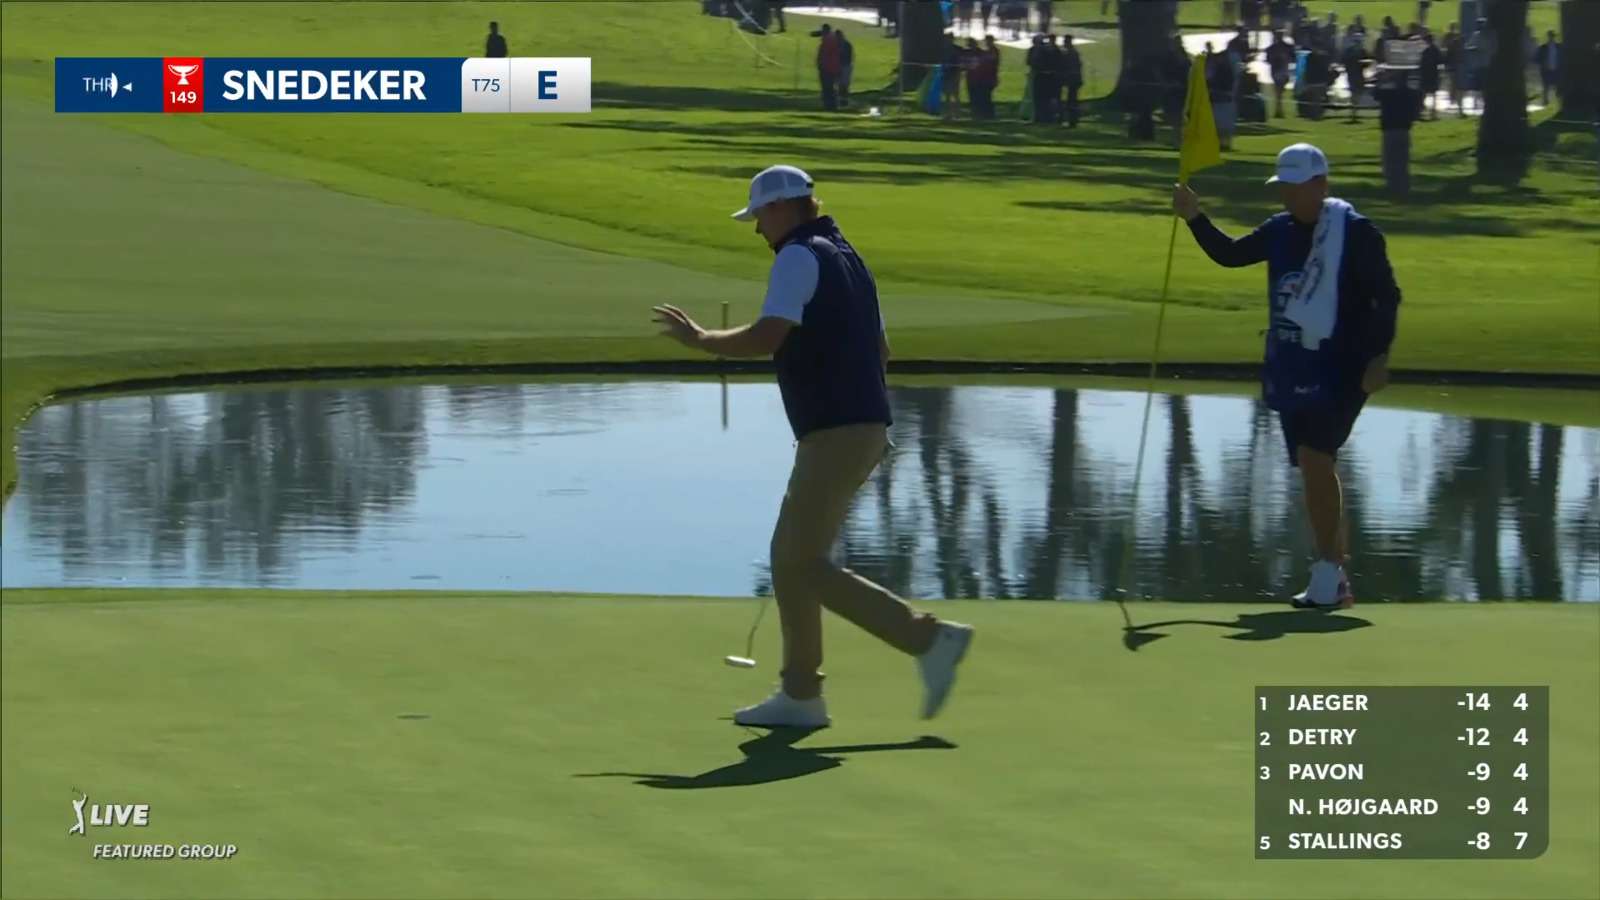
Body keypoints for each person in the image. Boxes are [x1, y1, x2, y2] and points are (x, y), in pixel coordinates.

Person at [651, 165, 975, 727]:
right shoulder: (848, 256)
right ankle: (804, 692)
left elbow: (767, 335)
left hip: (839, 430)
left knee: (797, 561)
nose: (756, 230)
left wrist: (702, 340)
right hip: (859, 427)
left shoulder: (798, 257)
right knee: (796, 560)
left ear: (783, 208)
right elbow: (882, 350)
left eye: (758, 217)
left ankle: (920, 642)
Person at [1171, 144, 1400, 609]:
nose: (1288, 197)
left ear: (1321, 185)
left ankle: (1327, 572)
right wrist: (1195, 217)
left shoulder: (1356, 234)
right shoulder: (1279, 231)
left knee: (1316, 458)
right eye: (1283, 189)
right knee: (1316, 463)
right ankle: (1336, 576)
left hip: (1345, 364)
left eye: (1296, 188)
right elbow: (1231, 255)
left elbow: (1386, 297)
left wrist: (1378, 358)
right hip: (1293, 360)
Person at [1374, 67, 1418, 195]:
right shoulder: (1412, 94)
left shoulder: (1388, 94)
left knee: (1390, 160)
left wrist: (1381, 80)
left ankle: (1392, 185)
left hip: (1389, 130)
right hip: (1404, 130)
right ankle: (1403, 185)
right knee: (1402, 160)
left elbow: (1375, 93)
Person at [1266, 29, 1295, 117]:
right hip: (1278, 71)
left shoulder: (1283, 47)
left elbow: (1292, 57)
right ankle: (1278, 110)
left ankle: (1278, 109)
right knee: (1278, 91)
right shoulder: (1272, 48)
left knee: (1279, 91)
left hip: (1282, 70)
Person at [813, 24, 842, 111]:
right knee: (830, 87)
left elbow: (824, 54)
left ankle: (829, 105)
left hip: (827, 67)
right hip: (833, 67)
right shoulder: (833, 39)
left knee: (827, 87)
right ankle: (832, 104)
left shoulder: (827, 41)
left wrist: (820, 63)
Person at [1061, 34, 1084, 127]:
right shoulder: (1073, 52)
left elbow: (1071, 67)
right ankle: (1072, 120)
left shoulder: (1071, 53)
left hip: (1073, 79)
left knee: (1072, 100)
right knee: (1072, 100)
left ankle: (1073, 121)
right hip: (1074, 79)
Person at [1418, 32, 1442, 119]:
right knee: (1433, 94)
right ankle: (1433, 113)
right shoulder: (1435, 49)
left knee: (1423, 93)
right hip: (1433, 73)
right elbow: (1440, 59)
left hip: (1425, 73)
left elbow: (1420, 61)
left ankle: (1420, 111)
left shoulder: (1423, 49)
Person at [1535, 31, 1561, 107]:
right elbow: (1537, 58)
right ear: (1548, 37)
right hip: (1546, 70)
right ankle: (1545, 102)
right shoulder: (1543, 47)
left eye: (1552, 36)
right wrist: (1543, 64)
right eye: (1550, 36)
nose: (1552, 38)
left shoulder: (1558, 47)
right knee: (1546, 87)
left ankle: (1558, 102)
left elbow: (1562, 57)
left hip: (1556, 69)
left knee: (1558, 86)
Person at [837, 30, 855, 109]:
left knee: (844, 84)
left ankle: (844, 101)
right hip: (840, 66)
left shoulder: (846, 45)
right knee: (840, 85)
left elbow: (849, 57)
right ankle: (841, 102)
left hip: (846, 66)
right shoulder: (838, 44)